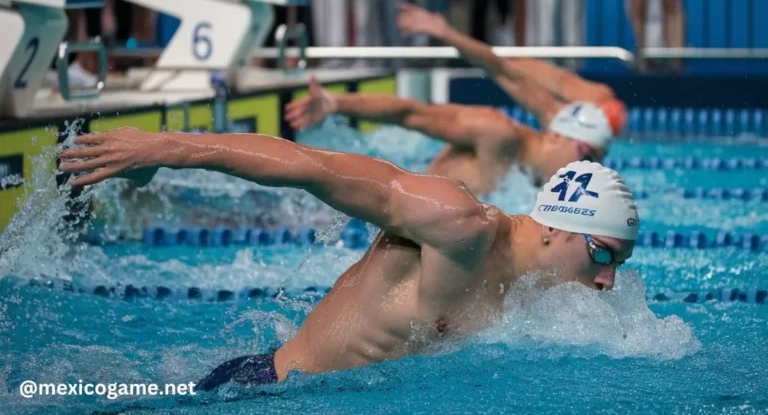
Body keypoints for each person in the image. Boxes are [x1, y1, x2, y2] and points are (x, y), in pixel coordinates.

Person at [58, 128, 639, 389]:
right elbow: (309, 165)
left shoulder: (528, 290)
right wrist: (168, 149)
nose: (609, 279)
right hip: (263, 393)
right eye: (604, 255)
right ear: (561, 231)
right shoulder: (458, 225)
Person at [285, 3, 626, 194]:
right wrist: (335, 103)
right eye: (586, 156)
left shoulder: (535, 178)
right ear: (555, 135)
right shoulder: (496, 132)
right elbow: (411, 113)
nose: (583, 171)